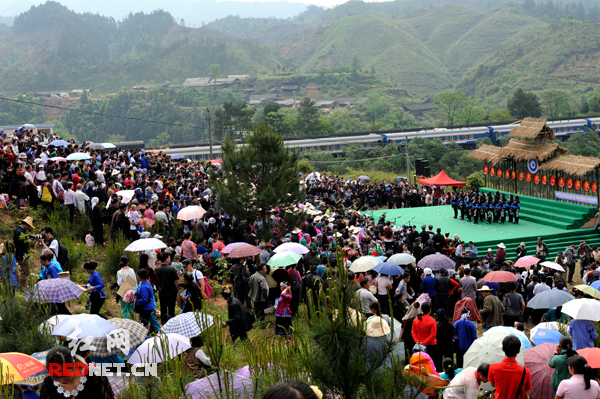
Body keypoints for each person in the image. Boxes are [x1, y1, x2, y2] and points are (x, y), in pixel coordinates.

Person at [39, 346, 114, 399]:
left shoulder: (95, 376)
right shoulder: (48, 384)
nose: (61, 381)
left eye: (65, 375)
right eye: (55, 377)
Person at [412, 302, 440, 371]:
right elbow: (433, 334)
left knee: (420, 364)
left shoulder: (416, 319)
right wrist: (424, 343)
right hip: (431, 345)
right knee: (436, 363)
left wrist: (417, 341)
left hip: (419, 345)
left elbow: (413, 332)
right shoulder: (432, 320)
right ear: (430, 310)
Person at [155, 252, 179, 324]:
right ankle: (171, 323)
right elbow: (176, 281)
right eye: (169, 257)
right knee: (171, 309)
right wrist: (178, 289)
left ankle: (164, 322)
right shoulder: (171, 268)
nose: (170, 259)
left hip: (161, 291)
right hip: (171, 291)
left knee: (163, 308)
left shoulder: (157, 269)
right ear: (166, 259)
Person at [13, 216, 33, 287]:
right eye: (29, 226)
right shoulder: (21, 232)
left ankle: (20, 286)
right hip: (22, 256)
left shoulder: (17, 230)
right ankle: (21, 287)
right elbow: (23, 245)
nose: (29, 228)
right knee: (24, 273)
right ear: (26, 224)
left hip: (19, 255)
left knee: (20, 272)